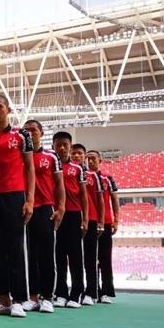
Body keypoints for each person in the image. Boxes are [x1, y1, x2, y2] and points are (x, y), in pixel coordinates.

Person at [0, 95, 35, 318]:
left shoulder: (21, 135)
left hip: (14, 196)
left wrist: (29, 200)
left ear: (9, 110)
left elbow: (30, 168)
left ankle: (19, 300)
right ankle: (3, 299)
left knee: (15, 248)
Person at [21, 120, 65, 314]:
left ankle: (47, 297)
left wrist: (60, 208)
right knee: (28, 255)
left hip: (45, 209)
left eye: (33, 130)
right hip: (24, 209)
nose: (30, 134)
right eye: (27, 131)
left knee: (46, 255)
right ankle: (32, 297)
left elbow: (59, 184)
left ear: (41, 133)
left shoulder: (51, 157)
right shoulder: (19, 155)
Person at [52, 132, 88, 308]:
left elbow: (83, 195)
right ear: (53, 146)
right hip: (56, 215)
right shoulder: (51, 165)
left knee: (75, 257)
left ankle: (76, 294)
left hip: (74, 215)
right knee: (58, 256)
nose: (62, 148)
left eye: (65, 144)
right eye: (58, 144)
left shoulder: (78, 169)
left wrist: (85, 219)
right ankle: (61, 293)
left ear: (70, 147)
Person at [77, 147, 104, 305]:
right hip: (74, 219)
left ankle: (91, 292)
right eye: (74, 153)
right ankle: (77, 291)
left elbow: (100, 200)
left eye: (80, 154)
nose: (77, 156)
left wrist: (101, 221)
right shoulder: (68, 172)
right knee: (76, 259)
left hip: (92, 220)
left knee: (90, 258)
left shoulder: (93, 176)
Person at [92, 151, 120, 304]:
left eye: (93, 158)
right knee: (90, 259)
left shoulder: (108, 179)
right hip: (90, 222)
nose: (90, 161)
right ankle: (93, 291)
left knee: (105, 259)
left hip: (107, 223)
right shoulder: (84, 177)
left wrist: (116, 220)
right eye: (87, 158)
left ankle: (106, 292)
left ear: (100, 161)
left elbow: (115, 200)